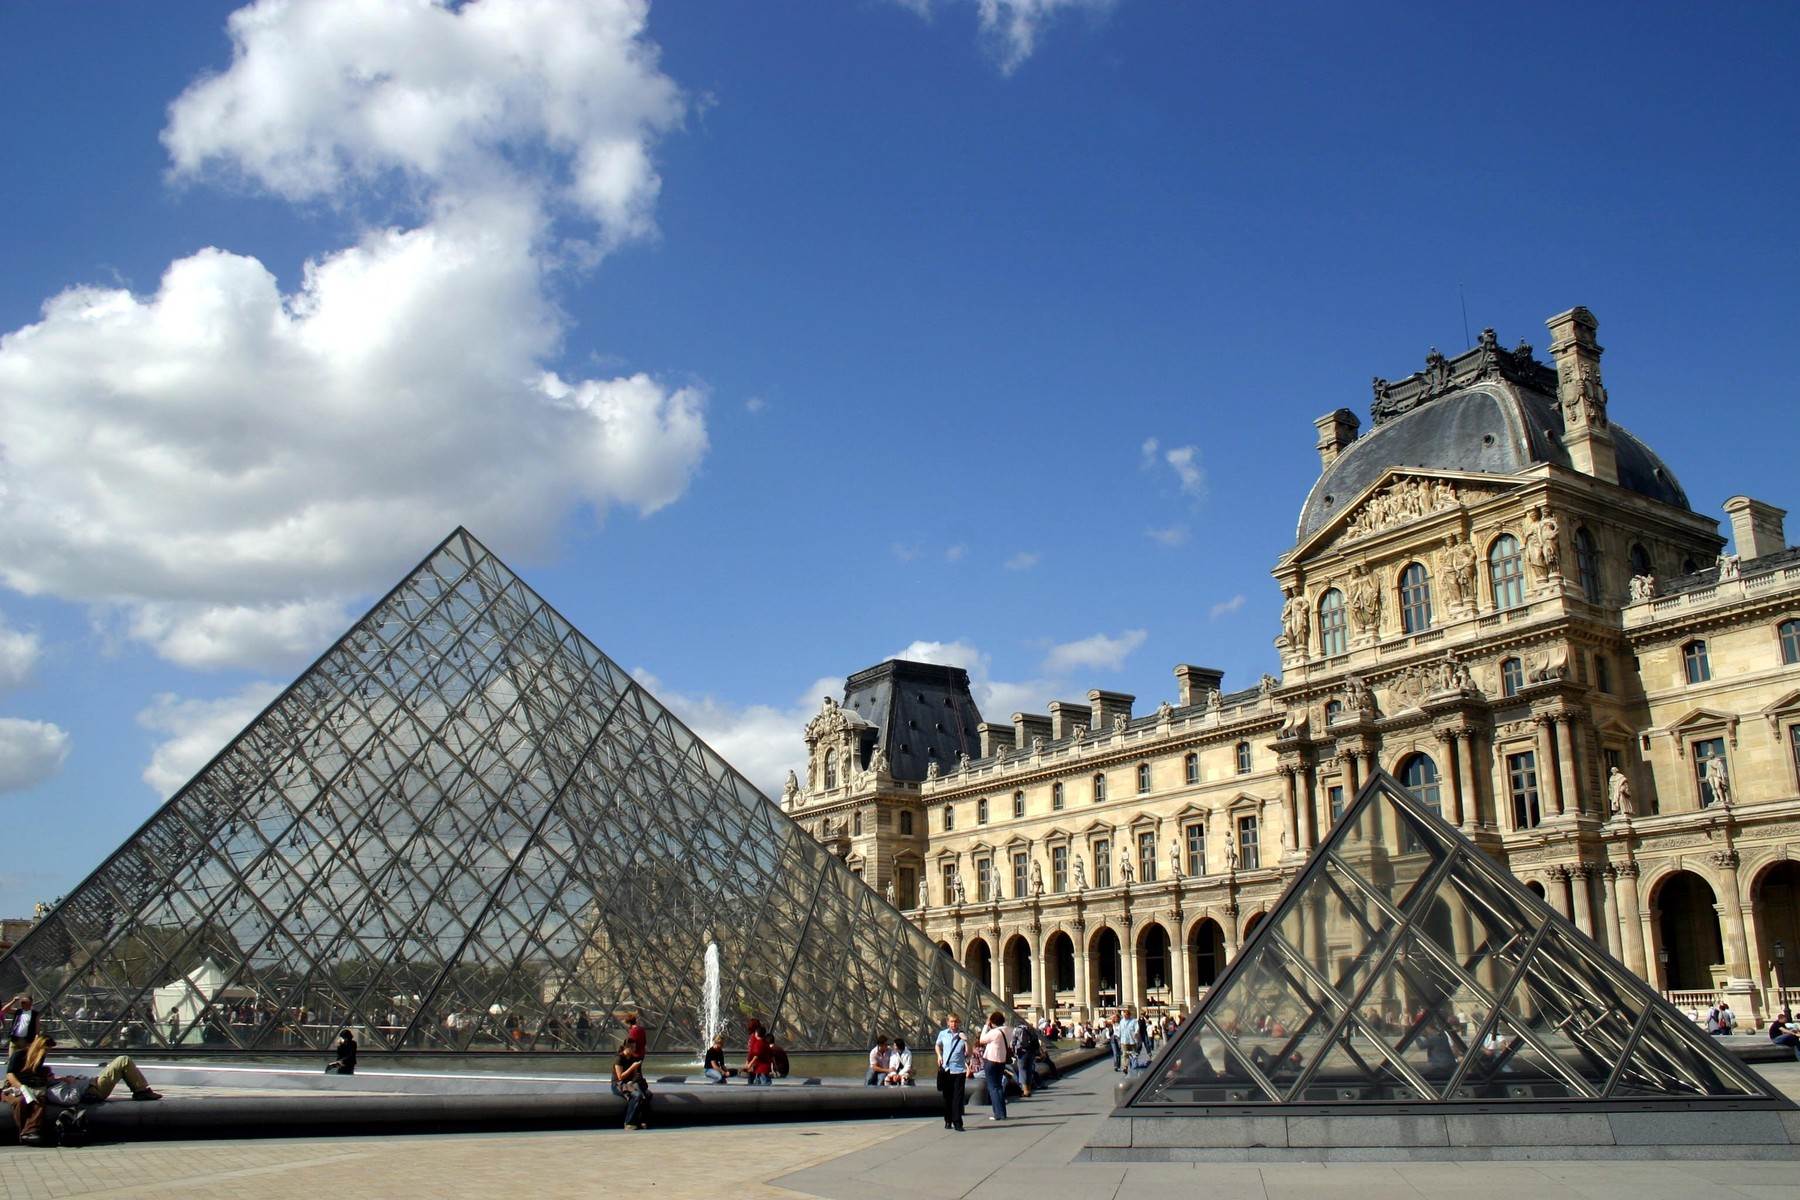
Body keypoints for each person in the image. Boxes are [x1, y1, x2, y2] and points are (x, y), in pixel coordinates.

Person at [934, 1012, 968, 1131]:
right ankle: (948, 1120)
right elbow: (937, 1045)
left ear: (959, 1022)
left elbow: (968, 1053)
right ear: (948, 1022)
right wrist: (939, 1056)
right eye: (952, 1021)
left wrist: (966, 1041)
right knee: (947, 1097)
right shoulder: (943, 1034)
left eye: (956, 1021)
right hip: (946, 1069)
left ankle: (958, 1122)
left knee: (958, 1097)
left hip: (959, 1070)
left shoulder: (962, 1035)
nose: (954, 1024)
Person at [978, 1012, 1011, 1121]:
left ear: (992, 1021)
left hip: (991, 1060)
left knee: (992, 1088)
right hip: (1002, 1061)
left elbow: (981, 1040)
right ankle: (1002, 1113)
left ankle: (998, 1114)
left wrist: (986, 1026)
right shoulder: (1008, 1030)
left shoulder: (994, 1032)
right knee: (998, 1087)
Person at [611, 1041, 651, 1130]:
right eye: (632, 1047)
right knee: (637, 1095)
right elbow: (620, 1077)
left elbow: (636, 1075)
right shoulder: (619, 1058)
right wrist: (632, 1067)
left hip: (630, 1084)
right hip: (618, 1084)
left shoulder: (633, 1058)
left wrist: (634, 1080)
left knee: (648, 1094)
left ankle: (642, 1120)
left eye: (634, 1047)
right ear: (626, 1048)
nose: (634, 1049)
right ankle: (629, 1122)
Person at [1009, 1016, 1040, 1097]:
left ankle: (1025, 1091)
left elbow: (1013, 1042)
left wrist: (1013, 1051)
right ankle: (1029, 1089)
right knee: (1029, 1069)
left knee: (1022, 1070)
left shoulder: (1017, 1029)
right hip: (1031, 1051)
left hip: (1022, 1052)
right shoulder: (1030, 1028)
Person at [745, 1019, 773, 1085]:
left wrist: (748, 1063)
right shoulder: (763, 1040)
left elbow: (753, 1052)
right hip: (759, 1066)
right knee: (761, 1081)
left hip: (757, 1066)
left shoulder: (756, 1039)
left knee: (753, 1082)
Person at [1118, 1008, 1143, 1073]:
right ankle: (1125, 1067)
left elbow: (1137, 1028)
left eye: (1126, 1015)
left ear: (1129, 1015)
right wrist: (1118, 1037)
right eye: (1124, 1015)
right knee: (1125, 1054)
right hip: (1124, 1040)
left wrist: (1136, 1033)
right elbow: (1119, 1030)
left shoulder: (1134, 1021)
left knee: (1133, 1054)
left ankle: (1134, 1066)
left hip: (1132, 1040)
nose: (1124, 1016)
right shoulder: (1121, 1021)